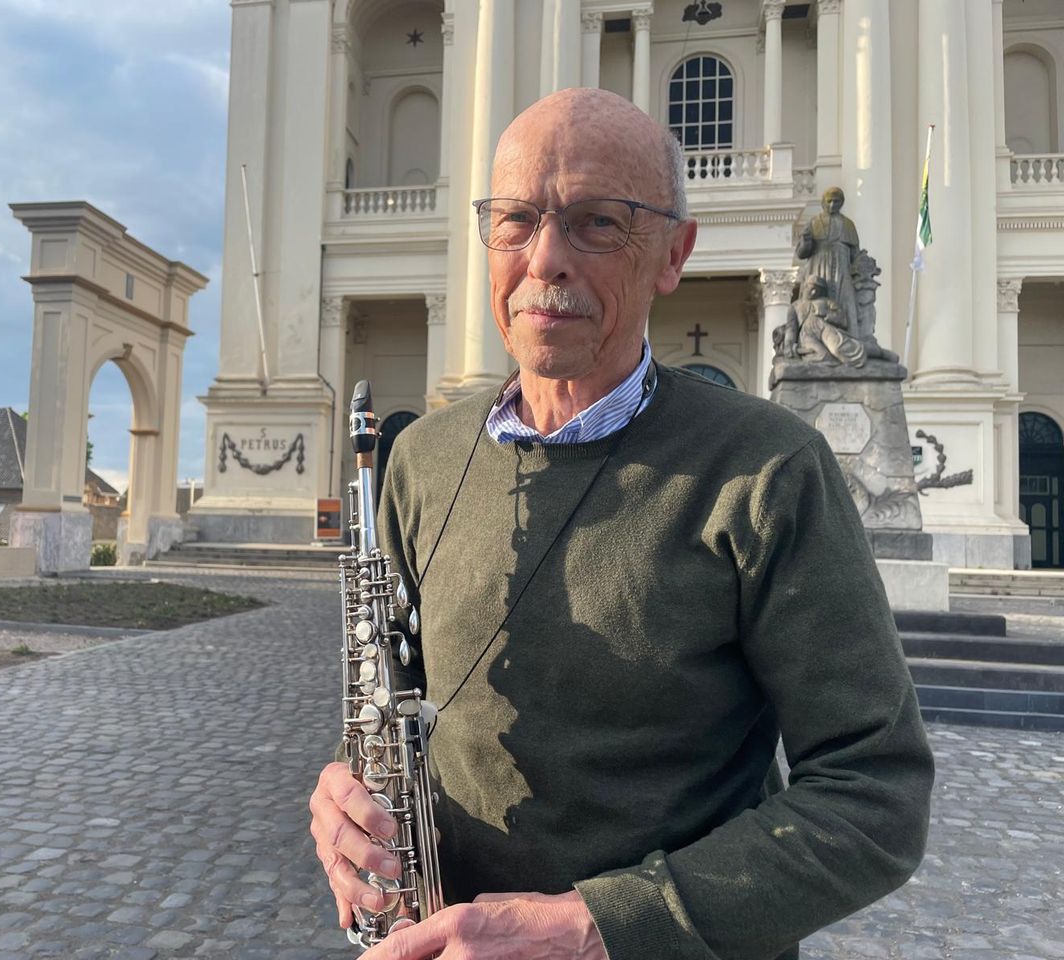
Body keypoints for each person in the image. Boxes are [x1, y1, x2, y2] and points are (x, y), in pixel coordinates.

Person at [309, 87, 934, 960]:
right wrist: (345, 802)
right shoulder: (420, 457)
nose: (546, 260)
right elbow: (395, 702)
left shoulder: (770, 471)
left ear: (673, 254)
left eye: (598, 222)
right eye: (517, 219)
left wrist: (594, 928)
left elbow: (877, 795)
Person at [795, 187, 861, 337]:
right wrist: (805, 243)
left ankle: (850, 336)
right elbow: (801, 253)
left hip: (841, 270)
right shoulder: (813, 223)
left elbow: (855, 253)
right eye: (829, 201)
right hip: (818, 267)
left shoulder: (848, 225)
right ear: (823, 202)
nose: (832, 205)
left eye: (836, 202)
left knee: (845, 301)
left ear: (841, 203)